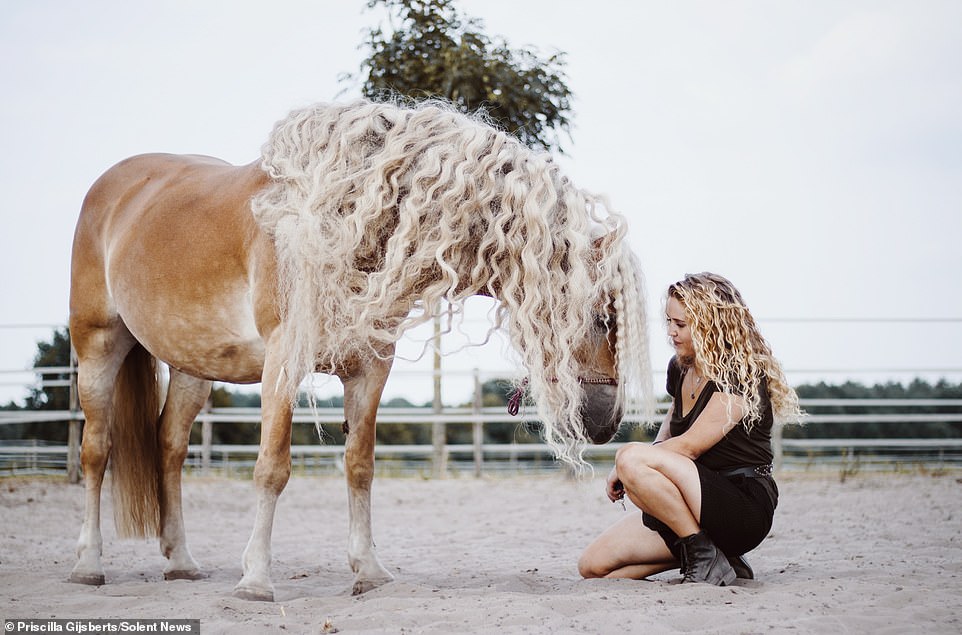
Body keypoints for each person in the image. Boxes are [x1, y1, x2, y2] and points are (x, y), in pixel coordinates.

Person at [578, 272, 802, 585]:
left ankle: (702, 552)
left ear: (711, 323)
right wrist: (636, 463)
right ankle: (714, 556)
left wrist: (628, 464)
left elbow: (690, 447)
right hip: (685, 504)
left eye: (681, 324)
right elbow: (669, 434)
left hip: (741, 504)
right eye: (669, 321)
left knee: (631, 456)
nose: (671, 332)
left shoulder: (738, 372)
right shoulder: (680, 366)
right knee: (593, 567)